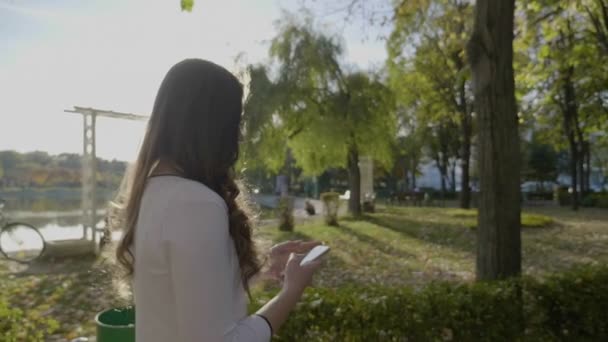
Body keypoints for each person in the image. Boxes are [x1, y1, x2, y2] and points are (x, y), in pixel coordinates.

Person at [114, 59, 324, 342]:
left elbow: (188, 296)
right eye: (235, 124)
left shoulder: (152, 192)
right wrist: (292, 291)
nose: (240, 137)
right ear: (213, 128)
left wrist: (262, 268)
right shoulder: (195, 203)